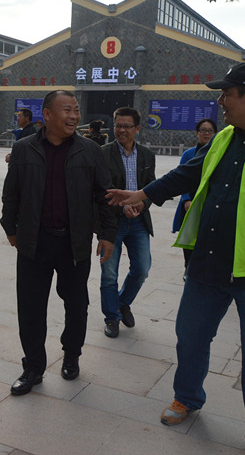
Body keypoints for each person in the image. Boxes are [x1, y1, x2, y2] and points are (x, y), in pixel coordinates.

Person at [106, 62, 245, 455]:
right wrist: (141, 194)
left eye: (227, 94)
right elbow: (187, 174)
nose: (221, 101)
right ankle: (187, 397)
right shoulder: (224, 137)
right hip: (207, 263)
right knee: (190, 337)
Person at [0, 90, 117, 395]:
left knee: (77, 305)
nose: (74, 116)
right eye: (67, 110)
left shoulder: (90, 151)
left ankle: (72, 355)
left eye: (76, 110)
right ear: (48, 114)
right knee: (30, 307)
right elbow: (11, 193)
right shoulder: (24, 148)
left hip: (73, 243)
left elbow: (105, 196)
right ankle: (33, 367)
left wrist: (107, 235)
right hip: (34, 242)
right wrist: (10, 227)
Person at [99, 107, 156, 338]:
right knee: (109, 273)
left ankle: (123, 303)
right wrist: (122, 206)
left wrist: (142, 204)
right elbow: (100, 190)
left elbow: (151, 187)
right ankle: (112, 318)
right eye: (118, 126)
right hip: (112, 223)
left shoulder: (147, 155)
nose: (121, 130)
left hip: (139, 222)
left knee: (142, 269)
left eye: (126, 126)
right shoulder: (103, 154)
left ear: (137, 128)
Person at [172, 118, 217, 270]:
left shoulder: (220, 153)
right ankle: (188, 267)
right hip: (191, 202)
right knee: (189, 236)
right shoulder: (189, 154)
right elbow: (181, 178)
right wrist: (186, 200)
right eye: (203, 130)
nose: (206, 134)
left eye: (210, 131)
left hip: (211, 202)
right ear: (197, 133)